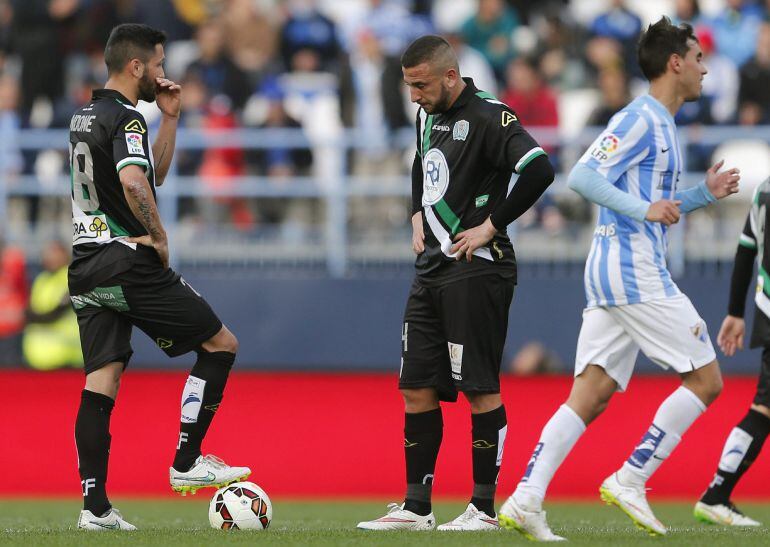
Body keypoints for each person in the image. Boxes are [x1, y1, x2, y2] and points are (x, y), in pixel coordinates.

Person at [497, 17, 741, 540]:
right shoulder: (640, 118)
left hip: (613, 271)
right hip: (633, 269)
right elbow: (583, 174)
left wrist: (705, 193)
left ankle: (525, 498)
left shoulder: (662, 125)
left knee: (592, 392)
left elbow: (662, 207)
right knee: (706, 379)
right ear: (675, 63)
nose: (704, 69)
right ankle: (632, 478)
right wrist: (645, 210)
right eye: (698, 59)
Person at [356, 35, 554, 532]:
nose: (414, 96)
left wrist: (493, 225)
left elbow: (539, 170)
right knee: (415, 386)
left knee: (480, 388)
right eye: (408, 86)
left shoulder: (491, 115)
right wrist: (416, 213)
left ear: (450, 76)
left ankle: (483, 510)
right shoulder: (427, 116)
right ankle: (416, 507)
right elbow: (423, 165)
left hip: (479, 264)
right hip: (432, 268)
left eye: (420, 85)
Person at [69, 24, 249, 531]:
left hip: (85, 265)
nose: (163, 74)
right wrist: (160, 235)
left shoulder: (85, 115)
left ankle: (95, 508)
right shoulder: (125, 118)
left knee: (101, 380)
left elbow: (153, 175)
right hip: (127, 259)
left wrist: (169, 119)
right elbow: (133, 183)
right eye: (159, 65)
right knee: (221, 344)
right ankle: (188, 462)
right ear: (135, 67)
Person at [693, 178, 770, 527]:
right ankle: (716, 494)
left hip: (765, 306)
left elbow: (746, 247)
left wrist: (736, 311)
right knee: (764, 407)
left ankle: (717, 494)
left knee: (765, 407)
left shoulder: (765, 187)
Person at [23, 240, 83, 370]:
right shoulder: (41, 279)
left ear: (65, 256)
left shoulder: (72, 277)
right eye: (48, 254)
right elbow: (30, 308)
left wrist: (29, 316)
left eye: (56, 253)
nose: (51, 258)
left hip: (66, 357)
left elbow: (56, 313)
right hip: (37, 358)